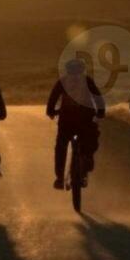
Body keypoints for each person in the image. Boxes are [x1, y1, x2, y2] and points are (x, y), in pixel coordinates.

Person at [46, 58, 106, 189]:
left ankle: (60, 177)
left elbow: (53, 97)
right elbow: (98, 97)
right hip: (85, 119)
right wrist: (100, 112)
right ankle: (88, 159)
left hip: (66, 120)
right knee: (90, 139)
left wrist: (50, 111)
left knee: (61, 147)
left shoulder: (63, 81)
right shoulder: (87, 80)